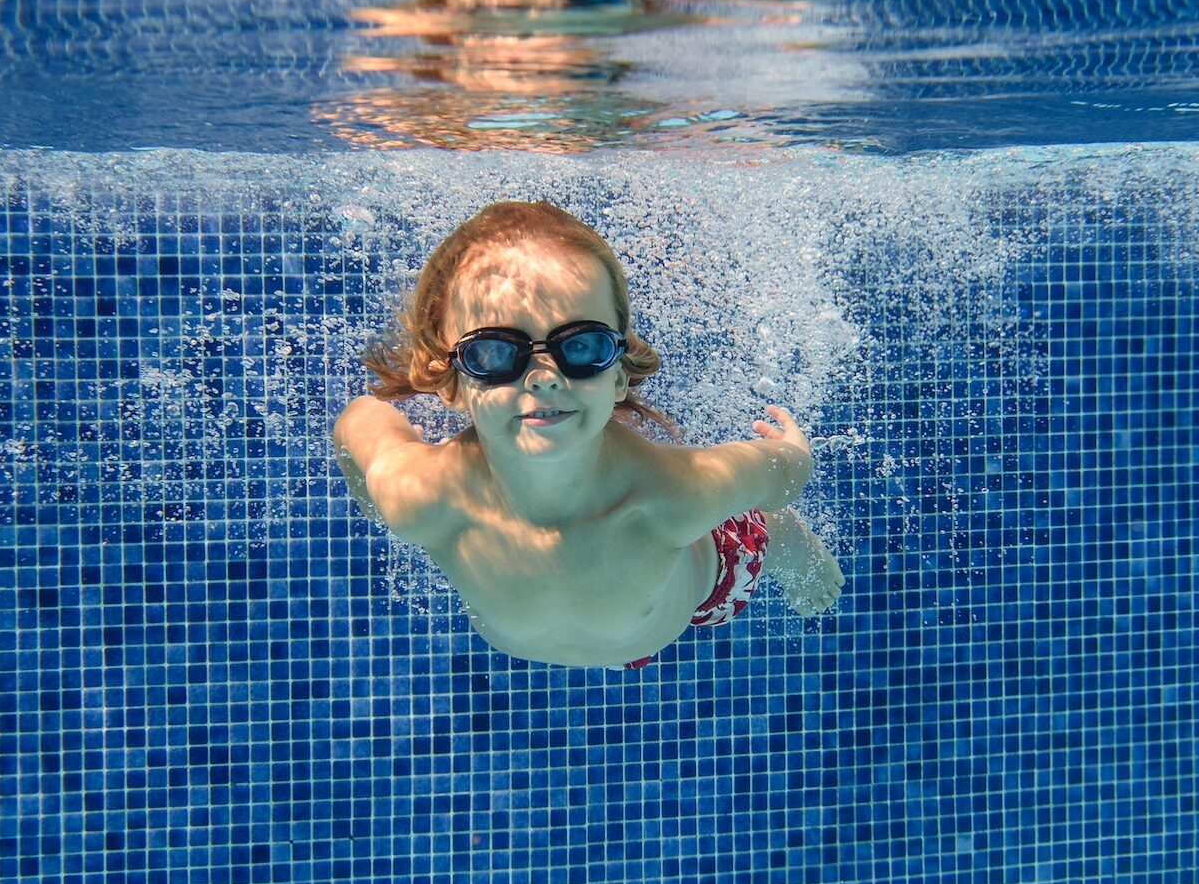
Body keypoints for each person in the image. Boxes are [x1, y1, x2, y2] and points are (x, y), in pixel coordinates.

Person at [333, 200, 844, 669]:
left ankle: (782, 534)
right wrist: (376, 502)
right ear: (449, 379)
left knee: (751, 530)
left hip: (699, 592)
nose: (545, 376)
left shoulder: (674, 496)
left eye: (581, 347)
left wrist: (792, 450)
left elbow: (782, 475)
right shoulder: (419, 497)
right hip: (625, 626)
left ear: (619, 374)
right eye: (493, 353)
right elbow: (357, 422)